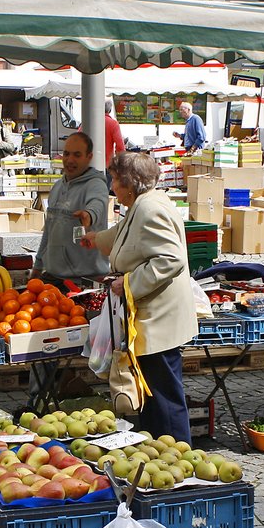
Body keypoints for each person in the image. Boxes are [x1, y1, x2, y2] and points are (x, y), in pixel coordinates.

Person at [81, 152, 197, 443]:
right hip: (149, 318)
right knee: (150, 392)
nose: (112, 186)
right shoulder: (141, 204)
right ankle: (159, 450)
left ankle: (178, 456)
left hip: (159, 320)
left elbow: (171, 260)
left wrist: (129, 283)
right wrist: (96, 238)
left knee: (163, 395)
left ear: (129, 184)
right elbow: (124, 233)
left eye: (115, 180)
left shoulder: (149, 209)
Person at [33, 132, 111, 283]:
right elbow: (48, 231)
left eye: (77, 155)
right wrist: (38, 264)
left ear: (89, 157)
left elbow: (98, 204)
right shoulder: (57, 187)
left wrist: (89, 215)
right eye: (66, 154)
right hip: (53, 277)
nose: (70, 160)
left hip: (83, 281)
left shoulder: (96, 185)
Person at [103, 98, 125, 167]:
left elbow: (78, 137)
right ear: (110, 110)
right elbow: (120, 147)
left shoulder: (88, 121)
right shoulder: (113, 124)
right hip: (106, 165)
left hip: (89, 165)